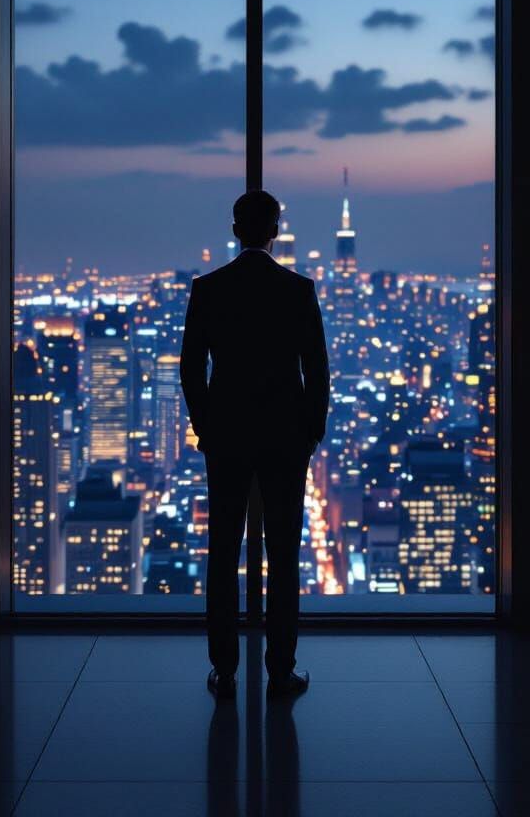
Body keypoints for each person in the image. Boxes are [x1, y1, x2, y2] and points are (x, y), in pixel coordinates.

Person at [180, 190, 330, 700]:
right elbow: (318, 370)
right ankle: (280, 670)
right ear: (276, 229)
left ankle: (224, 670)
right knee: (283, 552)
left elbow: (189, 369)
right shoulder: (298, 289)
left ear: (234, 228)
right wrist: (312, 431)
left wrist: (205, 426)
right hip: (285, 436)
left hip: (227, 436)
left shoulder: (209, 288)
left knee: (223, 550)